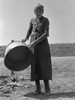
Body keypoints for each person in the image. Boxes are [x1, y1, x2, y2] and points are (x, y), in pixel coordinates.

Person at [22, 4, 52, 95]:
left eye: (39, 11)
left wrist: (35, 42)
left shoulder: (45, 20)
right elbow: (29, 30)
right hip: (32, 44)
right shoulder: (32, 20)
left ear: (42, 12)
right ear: (34, 12)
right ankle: (38, 89)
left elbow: (46, 34)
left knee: (44, 65)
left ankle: (47, 89)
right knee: (35, 64)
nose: (38, 12)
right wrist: (26, 38)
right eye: (36, 11)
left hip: (42, 45)